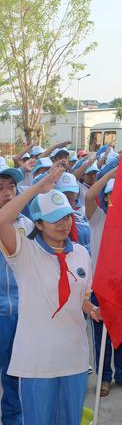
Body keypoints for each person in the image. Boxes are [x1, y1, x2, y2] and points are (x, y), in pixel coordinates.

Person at [0, 165, 100, 425]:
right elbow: (2, 220)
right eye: (55, 218)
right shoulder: (25, 253)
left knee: (69, 420)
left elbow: (81, 298)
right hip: (36, 361)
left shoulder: (81, 253)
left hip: (74, 358)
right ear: (39, 223)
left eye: (66, 216)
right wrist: (37, 187)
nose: (63, 224)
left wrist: (93, 310)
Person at [85, 172, 122, 399]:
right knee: (100, 332)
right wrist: (112, 173)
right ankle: (103, 377)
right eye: (112, 195)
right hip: (100, 286)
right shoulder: (98, 218)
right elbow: (89, 196)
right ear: (106, 198)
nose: (117, 199)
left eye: (121, 195)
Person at [0, 165, 32, 425]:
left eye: (11, 187)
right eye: (0, 188)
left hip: (23, 315)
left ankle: (14, 420)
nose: (8, 194)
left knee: (15, 375)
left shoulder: (27, 225)